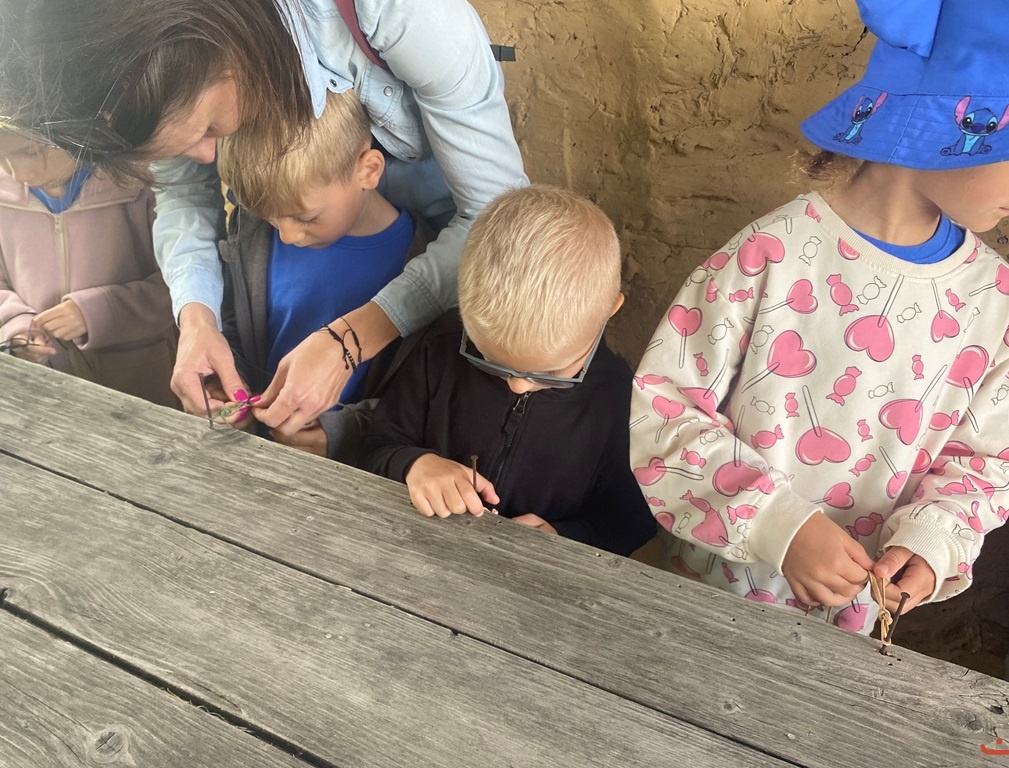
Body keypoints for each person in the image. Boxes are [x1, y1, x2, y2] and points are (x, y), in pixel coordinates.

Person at [630, 0, 1009, 634]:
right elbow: (665, 409)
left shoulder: (996, 298)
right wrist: (776, 525)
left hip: (850, 635)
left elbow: (989, 457)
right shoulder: (772, 254)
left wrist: (932, 540)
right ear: (941, 123)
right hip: (706, 607)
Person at [0, 0, 527, 435]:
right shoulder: (144, 81)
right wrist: (197, 320)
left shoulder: (399, 12)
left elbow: (496, 223)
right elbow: (184, 195)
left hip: (445, 283)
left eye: (209, 128)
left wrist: (352, 341)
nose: (208, 158)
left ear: (211, 42)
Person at [361, 186, 657, 557]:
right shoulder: (438, 352)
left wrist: (566, 536)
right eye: (489, 361)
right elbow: (376, 445)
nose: (518, 386)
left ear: (608, 310)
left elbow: (633, 518)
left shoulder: (617, 399)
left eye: (551, 372)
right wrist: (416, 465)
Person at [215, 87, 429, 461]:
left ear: (368, 171)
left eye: (306, 217)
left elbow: (423, 400)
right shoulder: (255, 238)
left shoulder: (422, 265)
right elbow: (234, 323)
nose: (287, 235)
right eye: (268, 216)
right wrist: (226, 381)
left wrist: (344, 432)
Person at [0, 129, 178, 407]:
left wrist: (96, 313)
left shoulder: (142, 186)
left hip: (144, 382)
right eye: (1, 157)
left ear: (78, 133)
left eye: (30, 152)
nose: (17, 173)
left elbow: (177, 287)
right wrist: (16, 326)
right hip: (50, 391)